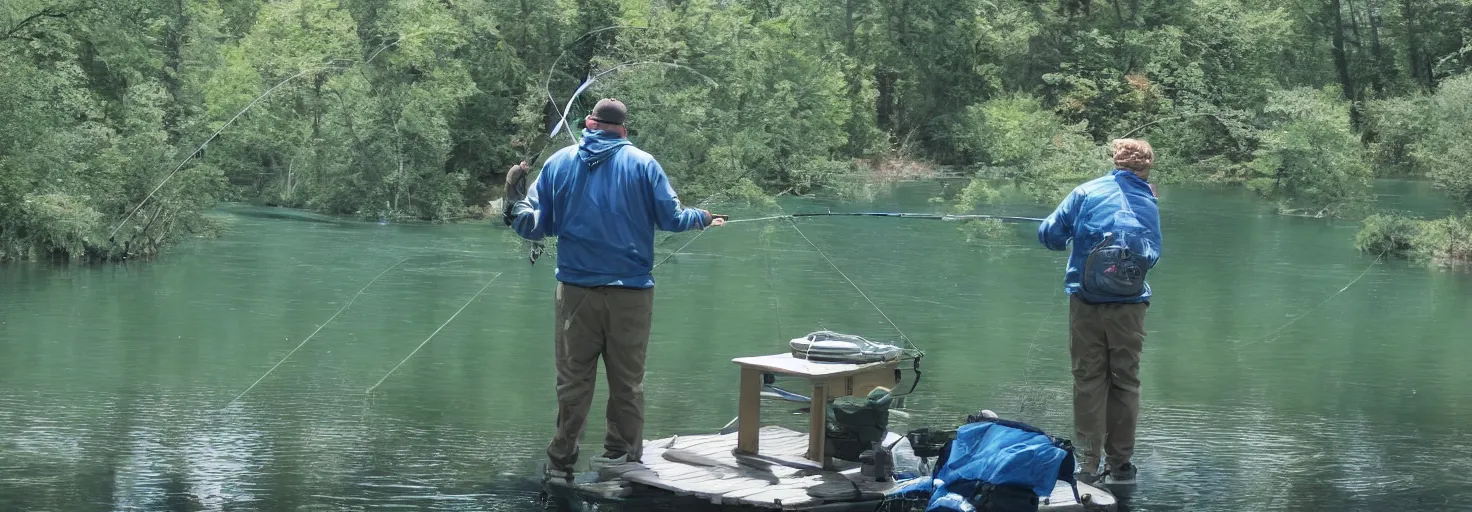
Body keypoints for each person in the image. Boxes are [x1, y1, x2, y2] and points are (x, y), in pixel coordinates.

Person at [502, 98, 724, 482]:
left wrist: (512, 196)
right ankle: (619, 458)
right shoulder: (643, 164)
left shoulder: (558, 164)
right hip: (631, 296)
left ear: (589, 123)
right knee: (627, 382)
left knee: (573, 383)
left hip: (574, 294)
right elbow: (671, 218)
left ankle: (560, 465)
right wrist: (702, 218)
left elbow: (533, 225)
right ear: (624, 129)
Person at [1036, 138, 1162, 485]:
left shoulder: (1086, 193)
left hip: (1086, 302)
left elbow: (1049, 236)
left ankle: (1087, 466)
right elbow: (1152, 255)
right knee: (1125, 383)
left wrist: (1073, 233)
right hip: (1130, 307)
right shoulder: (1147, 201)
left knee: (1089, 381)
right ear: (1146, 166)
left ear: (1115, 161)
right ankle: (1121, 466)